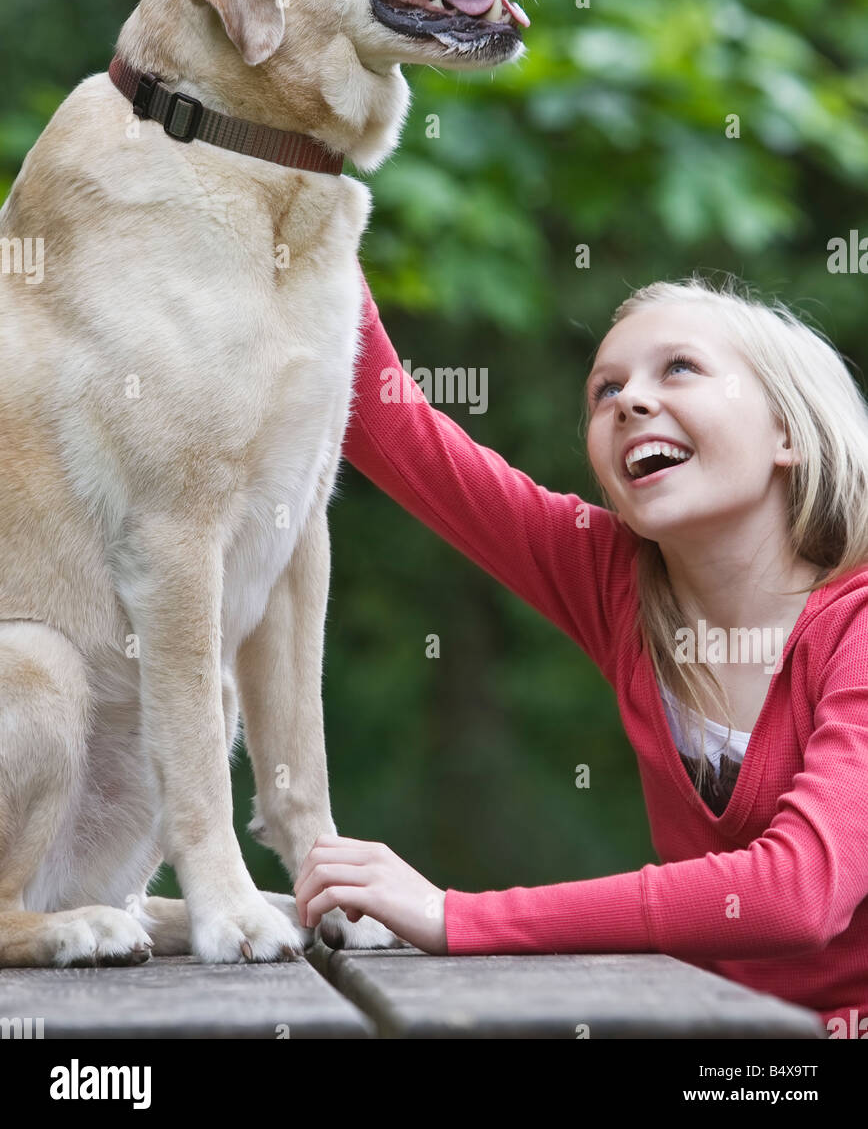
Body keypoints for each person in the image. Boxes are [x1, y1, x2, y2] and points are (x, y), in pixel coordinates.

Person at [293, 263, 868, 1037]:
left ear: (788, 433)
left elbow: (797, 893)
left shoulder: (856, 629)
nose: (630, 399)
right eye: (604, 390)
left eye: (681, 368)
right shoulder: (613, 578)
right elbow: (381, 419)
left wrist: (454, 916)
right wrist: (296, 173)